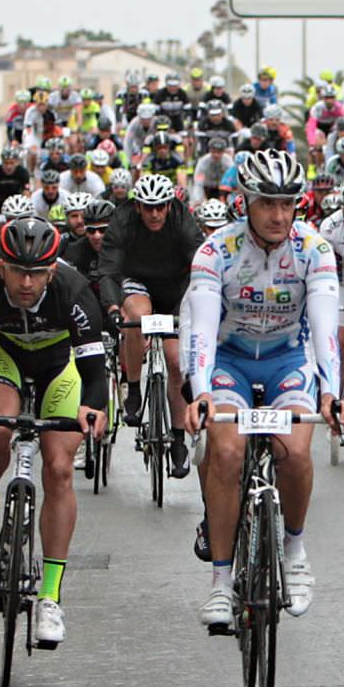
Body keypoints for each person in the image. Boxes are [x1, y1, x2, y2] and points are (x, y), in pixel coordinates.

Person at [182, 152, 344, 631]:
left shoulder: (314, 250)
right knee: (228, 452)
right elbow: (201, 326)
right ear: (246, 202)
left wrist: (331, 393)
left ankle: (294, 550)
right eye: (267, 203)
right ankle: (219, 582)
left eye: (288, 204)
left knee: (295, 452)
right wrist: (200, 392)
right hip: (228, 361)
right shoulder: (217, 251)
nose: (278, 215)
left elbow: (324, 327)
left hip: (287, 363)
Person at [0, 217, 110, 650]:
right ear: (0, 265)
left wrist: (95, 410)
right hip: (4, 357)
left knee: (59, 468)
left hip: (60, 366)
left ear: (51, 270)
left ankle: (51, 597)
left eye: (37, 272)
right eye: (17, 270)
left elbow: (95, 373)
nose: (26, 281)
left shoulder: (74, 293)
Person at [96, 173, 204, 476]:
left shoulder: (182, 219)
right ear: (137, 206)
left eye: (160, 207)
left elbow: (201, 261)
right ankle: (132, 388)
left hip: (175, 286)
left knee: (173, 360)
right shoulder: (123, 219)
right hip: (138, 280)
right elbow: (108, 269)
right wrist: (112, 307)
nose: (154, 214)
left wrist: (200, 307)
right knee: (137, 320)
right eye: (148, 207)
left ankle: (179, 439)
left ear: (170, 205)